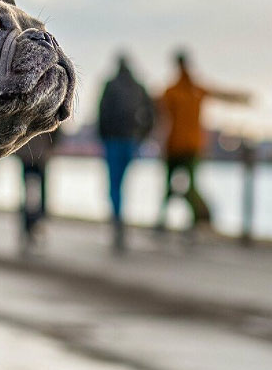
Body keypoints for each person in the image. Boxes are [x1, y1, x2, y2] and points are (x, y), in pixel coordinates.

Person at [155, 50, 249, 232]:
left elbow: (160, 115)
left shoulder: (172, 91)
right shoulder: (194, 89)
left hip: (175, 145)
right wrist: (242, 99)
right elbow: (221, 95)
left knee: (170, 184)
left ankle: (165, 220)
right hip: (192, 145)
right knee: (190, 185)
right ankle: (193, 220)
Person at [97, 55, 154, 250]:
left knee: (114, 184)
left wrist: (103, 137)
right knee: (124, 182)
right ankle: (120, 218)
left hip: (113, 141)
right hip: (131, 141)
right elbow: (151, 114)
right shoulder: (139, 87)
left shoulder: (110, 85)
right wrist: (142, 136)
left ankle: (117, 219)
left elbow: (101, 112)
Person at [15, 129, 60, 247]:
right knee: (35, 193)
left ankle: (31, 226)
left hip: (31, 152)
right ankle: (34, 225)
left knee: (30, 193)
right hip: (38, 152)